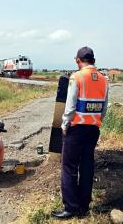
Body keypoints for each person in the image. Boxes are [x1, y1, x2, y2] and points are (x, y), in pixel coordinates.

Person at [52, 46, 109, 219]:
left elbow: (70, 106)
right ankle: (84, 205)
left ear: (78, 60)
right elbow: (104, 108)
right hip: (93, 129)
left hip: (76, 129)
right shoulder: (104, 79)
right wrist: (96, 122)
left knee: (69, 167)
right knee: (87, 166)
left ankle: (71, 207)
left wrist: (64, 124)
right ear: (94, 61)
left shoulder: (76, 77)